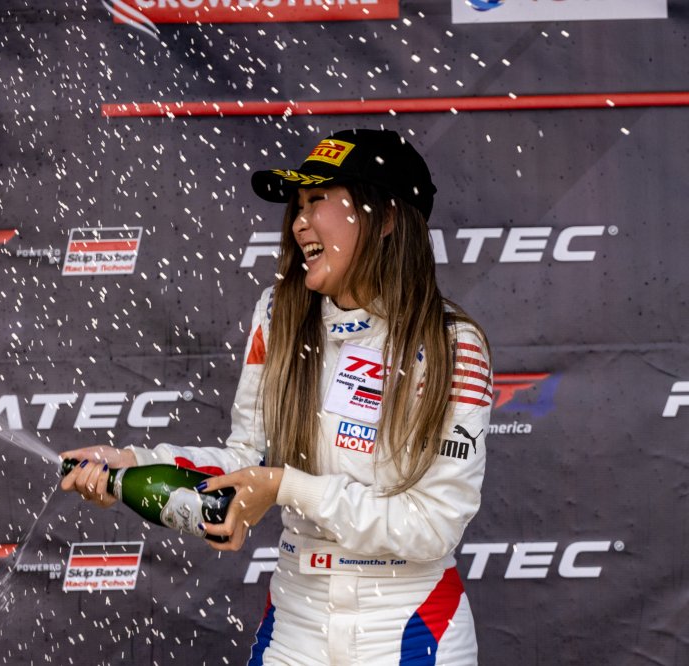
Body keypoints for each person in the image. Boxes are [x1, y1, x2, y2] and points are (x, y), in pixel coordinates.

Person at [61, 129, 492, 665]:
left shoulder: (451, 345)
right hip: (296, 622)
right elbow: (249, 459)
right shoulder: (278, 314)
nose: (299, 223)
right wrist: (132, 465)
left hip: (410, 627)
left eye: (318, 200)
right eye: (298, 205)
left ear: (385, 218)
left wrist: (288, 486)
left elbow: (433, 525)